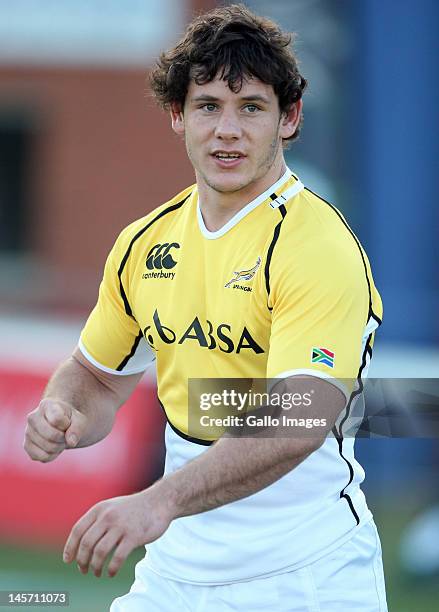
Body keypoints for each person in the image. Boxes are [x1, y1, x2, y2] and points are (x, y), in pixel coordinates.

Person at [24, 4, 387, 610]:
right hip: (175, 574)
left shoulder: (318, 246)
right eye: (208, 106)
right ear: (178, 116)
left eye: (251, 108)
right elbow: (95, 374)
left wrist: (158, 499)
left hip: (307, 577)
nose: (227, 130)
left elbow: (299, 417)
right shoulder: (145, 243)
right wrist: (64, 409)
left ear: (289, 119)